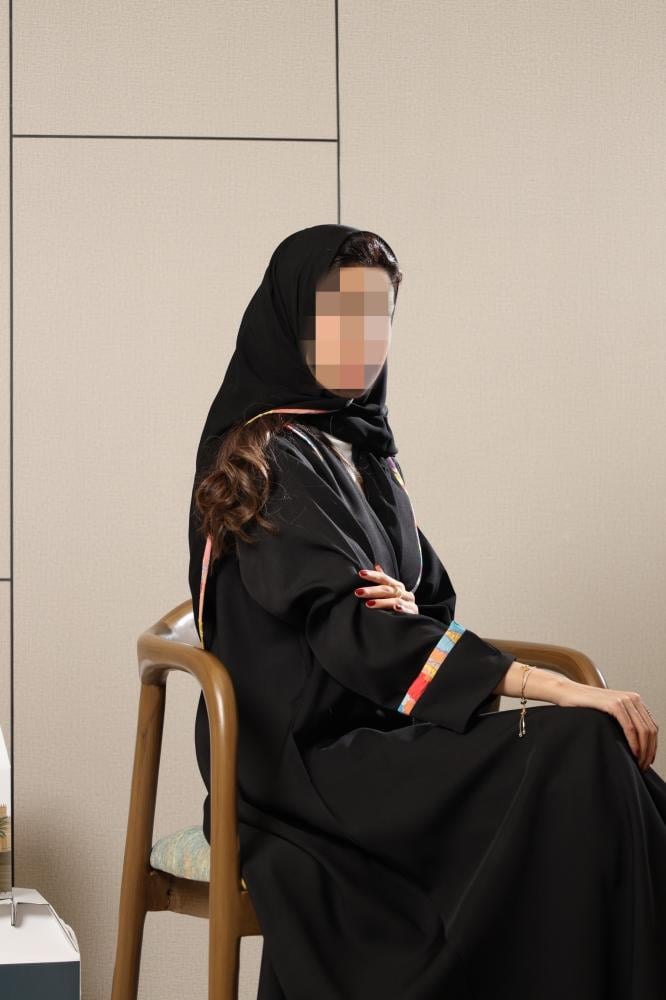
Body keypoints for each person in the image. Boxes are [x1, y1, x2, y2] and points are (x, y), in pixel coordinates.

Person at [188, 224, 666, 1000]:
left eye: (377, 317)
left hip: (382, 731)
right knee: (579, 743)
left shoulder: (364, 453)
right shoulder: (268, 455)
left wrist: (407, 615)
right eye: (339, 315)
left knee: (589, 757)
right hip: (303, 764)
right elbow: (360, 634)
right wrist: (562, 687)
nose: (362, 339)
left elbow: (428, 600)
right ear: (294, 319)